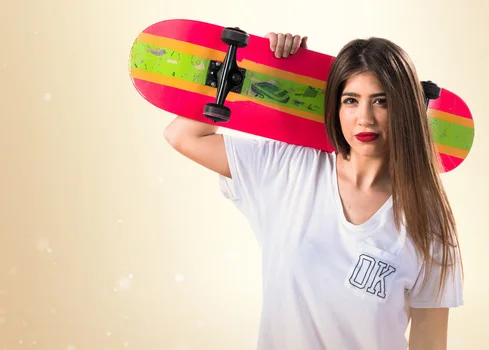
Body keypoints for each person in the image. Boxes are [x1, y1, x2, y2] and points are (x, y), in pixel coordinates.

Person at [163, 32, 464, 350]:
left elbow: (429, 343)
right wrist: (261, 68)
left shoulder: (427, 218)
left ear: (405, 110)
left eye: (381, 101)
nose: (365, 118)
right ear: (335, 107)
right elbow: (183, 135)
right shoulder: (289, 168)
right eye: (351, 100)